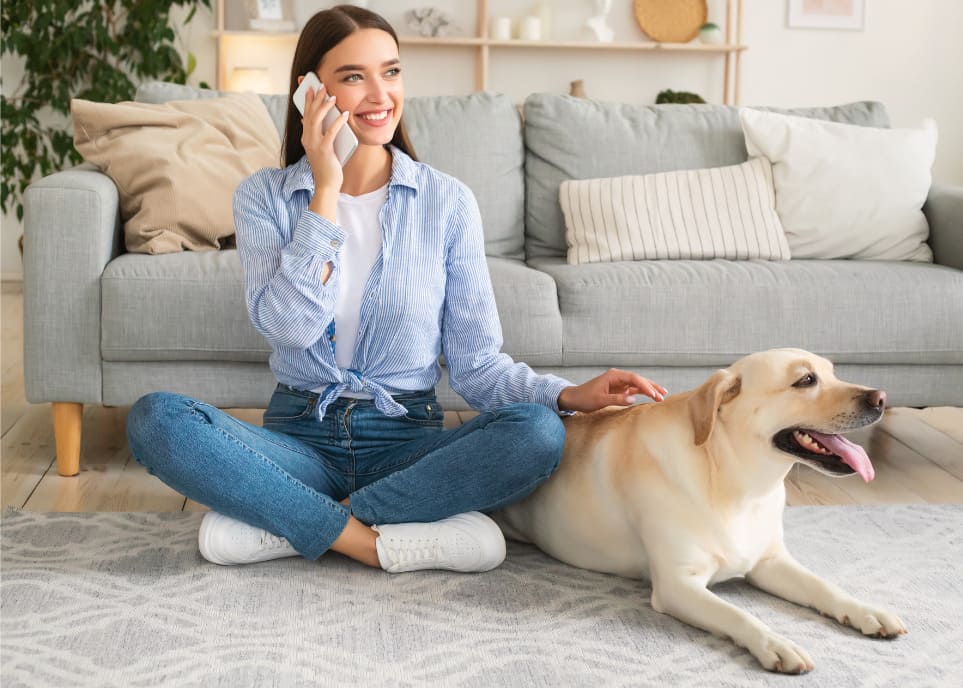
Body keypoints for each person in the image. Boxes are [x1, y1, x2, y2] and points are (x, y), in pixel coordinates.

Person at [125, 5, 667, 575]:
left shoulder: (447, 202)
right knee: (157, 420)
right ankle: (366, 538)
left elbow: (476, 365)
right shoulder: (265, 197)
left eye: (391, 71)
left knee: (535, 434)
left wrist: (569, 396)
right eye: (353, 77)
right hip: (299, 443)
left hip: (406, 445)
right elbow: (290, 328)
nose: (379, 93)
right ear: (311, 92)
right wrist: (325, 192)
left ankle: (293, 524)